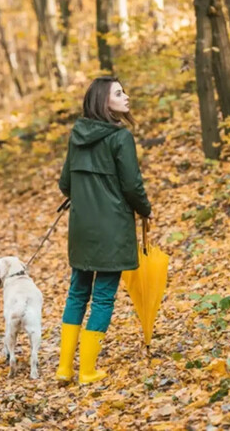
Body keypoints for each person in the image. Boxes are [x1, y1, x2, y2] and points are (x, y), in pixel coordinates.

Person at [56, 76, 152, 384]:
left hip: (82, 227)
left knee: (77, 293)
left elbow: (65, 184)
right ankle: (87, 371)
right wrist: (145, 209)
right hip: (112, 228)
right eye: (119, 93)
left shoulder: (77, 134)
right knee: (103, 298)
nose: (127, 97)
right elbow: (132, 185)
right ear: (103, 101)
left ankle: (63, 369)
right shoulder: (120, 138)